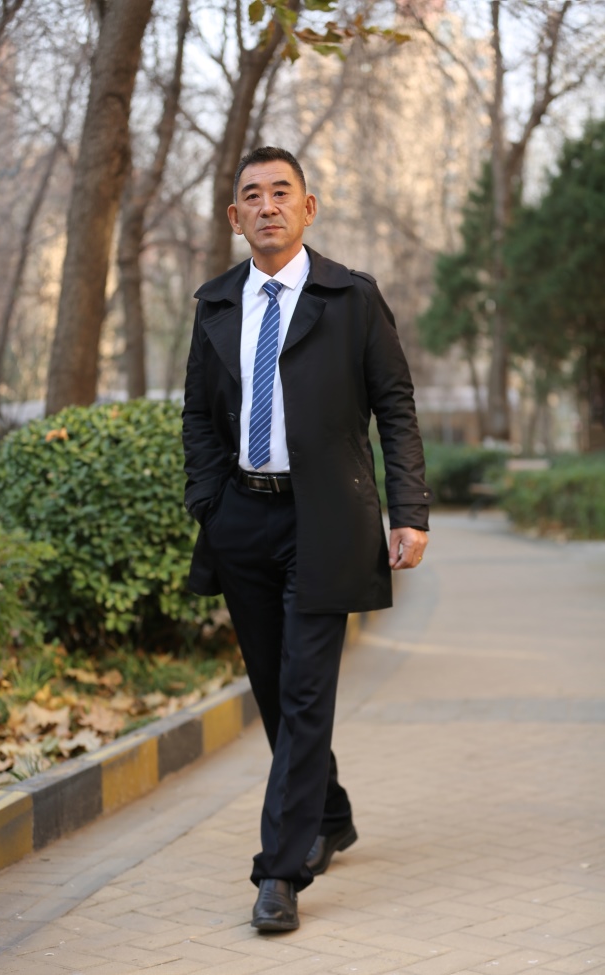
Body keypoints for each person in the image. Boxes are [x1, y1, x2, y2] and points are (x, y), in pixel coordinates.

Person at [182, 146, 431, 932]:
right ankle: (330, 813)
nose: (268, 206)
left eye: (281, 192)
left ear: (308, 207)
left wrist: (409, 510)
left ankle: (280, 871)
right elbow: (197, 414)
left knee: (303, 691)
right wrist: (208, 502)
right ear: (235, 217)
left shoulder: (350, 297)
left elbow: (395, 406)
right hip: (242, 519)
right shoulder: (216, 303)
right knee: (273, 690)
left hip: (326, 520)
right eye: (252, 196)